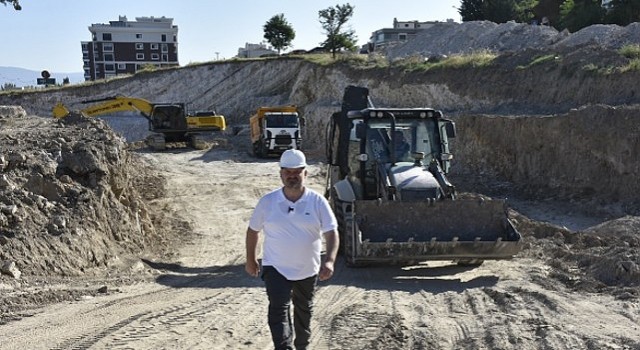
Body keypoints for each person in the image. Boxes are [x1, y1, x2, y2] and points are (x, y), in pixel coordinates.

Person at [245, 149, 339, 350]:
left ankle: (302, 345)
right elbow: (253, 231)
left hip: (307, 269)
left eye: (297, 172)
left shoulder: (317, 202)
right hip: (275, 267)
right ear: (281, 174)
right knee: (278, 309)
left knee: (304, 309)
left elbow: (331, 232)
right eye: (287, 172)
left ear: (305, 173)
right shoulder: (268, 202)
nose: (292, 176)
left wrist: (329, 260)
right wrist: (251, 259)